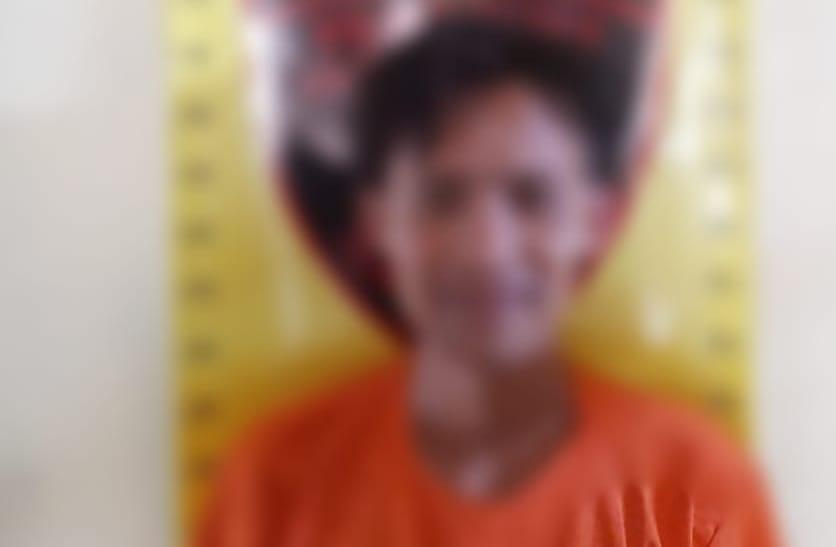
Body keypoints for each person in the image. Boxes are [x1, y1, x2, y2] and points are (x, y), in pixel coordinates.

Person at [198, 18, 779, 547]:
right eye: (442, 199)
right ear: (377, 223)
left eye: (531, 197)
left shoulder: (693, 488)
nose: (487, 250)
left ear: (593, 219)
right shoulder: (272, 490)